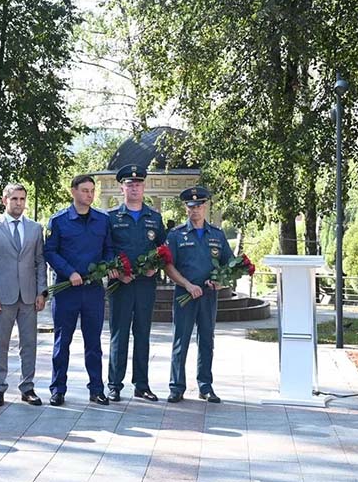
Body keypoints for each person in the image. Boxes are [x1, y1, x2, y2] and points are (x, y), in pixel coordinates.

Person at [44, 175, 115, 406]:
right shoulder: (59, 221)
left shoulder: (102, 221)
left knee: (93, 342)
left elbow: (109, 249)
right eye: (85, 191)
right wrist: (69, 272)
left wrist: (105, 267)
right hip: (67, 290)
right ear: (73, 191)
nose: (89, 195)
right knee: (62, 342)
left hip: (93, 290)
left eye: (92, 191)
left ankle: (96, 389)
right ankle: (58, 389)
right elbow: (50, 252)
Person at [0, 183, 47, 407]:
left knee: (29, 343)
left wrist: (41, 292)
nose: (19, 203)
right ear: (4, 200)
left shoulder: (35, 228)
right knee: (1, 343)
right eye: (14, 199)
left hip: (29, 296)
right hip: (2, 296)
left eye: (22, 199)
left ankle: (27, 387)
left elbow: (40, 262)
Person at [164, 186, 233, 404]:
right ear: (186, 208)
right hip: (185, 295)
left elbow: (229, 265)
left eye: (200, 205)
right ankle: (177, 387)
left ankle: (206, 386)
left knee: (206, 340)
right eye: (191, 206)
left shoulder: (217, 234)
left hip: (208, 296)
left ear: (206, 206)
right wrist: (186, 284)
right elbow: (168, 266)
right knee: (180, 341)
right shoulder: (176, 235)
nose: (196, 210)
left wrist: (220, 282)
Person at [107, 165, 166, 402]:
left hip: (144, 285)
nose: (134, 187)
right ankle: (114, 385)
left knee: (142, 334)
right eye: (130, 184)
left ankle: (142, 384)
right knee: (119, 335)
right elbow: (106, 249)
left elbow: (163, 249)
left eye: (138, 184)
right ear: (122, 187)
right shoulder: (110, 218)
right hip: (120, 285)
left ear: (144, 187)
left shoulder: (155, 218)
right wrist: (116, 271)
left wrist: (156, 266)